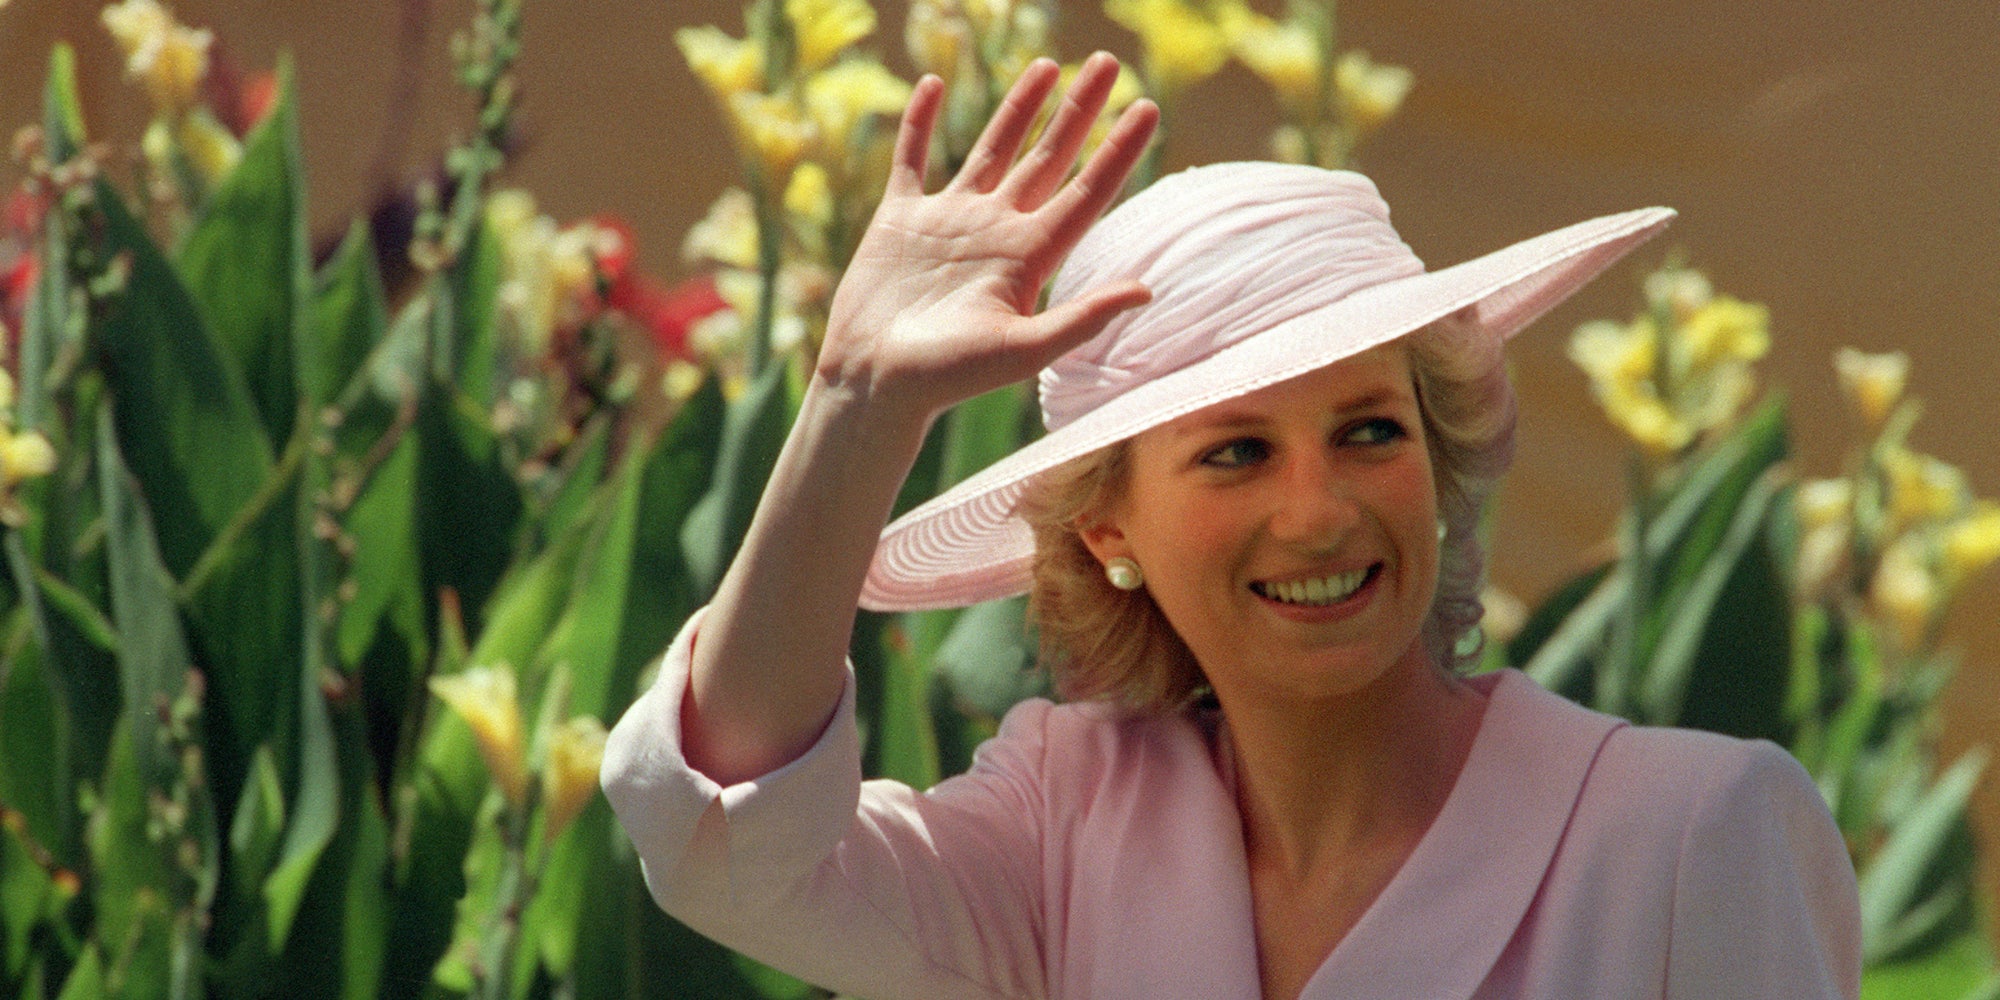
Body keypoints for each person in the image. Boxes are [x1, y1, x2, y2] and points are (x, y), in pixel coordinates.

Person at [602, 52, 1861, 1000]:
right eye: (1235, 452)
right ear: (1107, 530)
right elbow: (725, 840)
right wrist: (856, 402)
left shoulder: (1692, 828)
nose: (1317, 513)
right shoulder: (1064, 826)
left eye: (1370, 429)